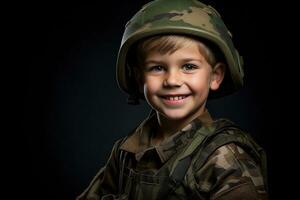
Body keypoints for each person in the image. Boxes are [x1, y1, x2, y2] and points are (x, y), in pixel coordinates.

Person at [76, 0, 268, 199]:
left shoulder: (223, 157)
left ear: (215, 76)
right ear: (139, 76)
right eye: (157, 68)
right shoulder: (126, 152)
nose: (172, 80)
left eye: (189, 66)